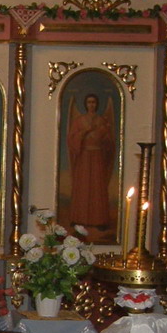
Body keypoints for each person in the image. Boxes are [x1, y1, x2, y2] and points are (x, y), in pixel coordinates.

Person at [66, 92, 116, 233]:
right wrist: (84, 132)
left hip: (97, 158)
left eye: (93, 102)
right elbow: (72, 138)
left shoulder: (101, 121)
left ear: (97, 104)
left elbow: (109, 141)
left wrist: (103, 133)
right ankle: (79, 218)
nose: (91, 105)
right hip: (83, 158)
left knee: (97, 187)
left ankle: (99, 220)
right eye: (89, 102)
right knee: (83, 186)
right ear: (86, 104)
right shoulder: (79, 121)